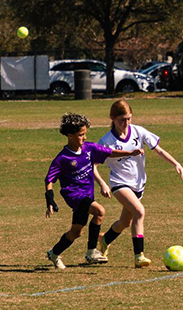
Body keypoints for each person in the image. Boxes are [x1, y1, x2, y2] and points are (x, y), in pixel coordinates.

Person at [44, 113, 144, 270]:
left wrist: (130, 153)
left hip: (86, 196)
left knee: (75, 232)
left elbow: (109, 152)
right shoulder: (62, 158)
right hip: (74, 196)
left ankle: (54, 253)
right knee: (99, 211)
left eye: (85, 134)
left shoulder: (89, 148)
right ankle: (91, 252)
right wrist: (49, 198)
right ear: (69, 136)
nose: (84, 138)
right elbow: (49, 179)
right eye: (80, 135)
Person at [96, 100, 183, 268]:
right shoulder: (105, 141)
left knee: (125, 222)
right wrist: (102, 183)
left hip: (138, 184)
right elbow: (92, 165)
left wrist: (176, 164)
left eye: (129, 118)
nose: (126, 123)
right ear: (112, 118)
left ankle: (105, 239)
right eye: (122, 119)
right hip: (119, 183)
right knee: (139, 211)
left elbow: (158, 150)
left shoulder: (138, 131)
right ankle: (139, 256)